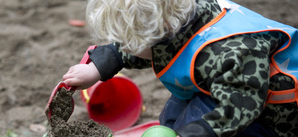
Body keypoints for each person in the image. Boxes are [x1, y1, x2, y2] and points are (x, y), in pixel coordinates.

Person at [62, 0, 298, 136]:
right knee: (172, 115)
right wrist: (100, 67)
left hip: (270, 115)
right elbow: (155, 48)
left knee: (195, 124)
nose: (125, 48)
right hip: (221, 86)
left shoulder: (231, 54)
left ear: (162, 29)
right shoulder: (179, 19)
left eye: (128, 43)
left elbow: (239, 109)